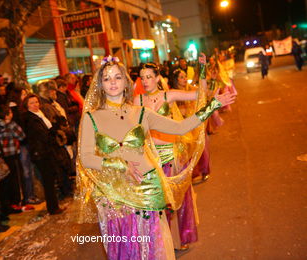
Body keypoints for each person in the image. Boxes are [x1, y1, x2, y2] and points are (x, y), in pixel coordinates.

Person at [76, 56, 235, 259]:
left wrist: (211, 106)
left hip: (148, 186)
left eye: (117, 77)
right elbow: (85, 157)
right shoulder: (91, 117)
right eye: (107, 79)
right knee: (125, 246)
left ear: (126, 82)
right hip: (115, 193)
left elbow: (180, 127)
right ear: (100, 84)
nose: (113, 82)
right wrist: (119, 164)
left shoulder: (141, 112)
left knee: (151, 246)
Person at [133, 58, 208, 250]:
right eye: (142, 78)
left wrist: (202, 71)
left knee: (180, 200)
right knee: (159, 204)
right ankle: (162, 243)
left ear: (158, 77)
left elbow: (200, 94)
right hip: (152, 158)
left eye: (149, 77)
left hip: (172, 156)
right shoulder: (137, 101)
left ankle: (183, 238)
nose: (146, 81)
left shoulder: (169, 96)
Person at [21, 94, 66, 215]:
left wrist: (54, 127)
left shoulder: (39, 115)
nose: (35, 105)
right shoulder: (30, 118)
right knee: (48, 180)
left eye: (36, 102)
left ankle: (54, 206)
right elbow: (40, 135)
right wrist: (52, 131)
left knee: (50, 179)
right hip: (41, 153)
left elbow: (47, 132)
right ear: (26, 105)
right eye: (31, 103)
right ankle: (53, 207)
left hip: (46, 150)